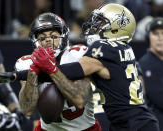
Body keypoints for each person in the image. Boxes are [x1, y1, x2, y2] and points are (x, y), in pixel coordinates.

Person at [31, 3, 160, 131]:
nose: (94, 26)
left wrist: (42, 70)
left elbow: (73, 70)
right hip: (132, 121)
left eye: (101, 23)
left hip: (132, 123)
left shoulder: (104, 47)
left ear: (115, 29)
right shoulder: (124, 48)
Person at [14, 12, 101, 131]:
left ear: (63, 36)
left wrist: (51, 69)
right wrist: (33, 71)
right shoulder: (26, 63)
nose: (48, 40)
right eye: (42, 37)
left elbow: (79, 99)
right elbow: (27, 110)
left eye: (53, 36)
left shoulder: (77, 55)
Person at [139, 17, 163, 130]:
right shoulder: (143, 65)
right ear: (148, 37)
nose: (160, 38)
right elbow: (158, 98)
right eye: (156, 34)